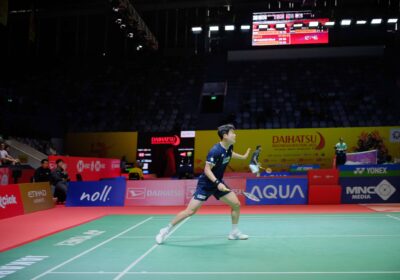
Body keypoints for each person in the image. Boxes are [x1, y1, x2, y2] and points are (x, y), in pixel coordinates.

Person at [155, 124, 251, 244]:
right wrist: (217, 183)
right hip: (206, 184)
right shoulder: (215, 151)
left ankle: (234, 232)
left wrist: (243, 157)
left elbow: (230, 154)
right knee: (190, 211)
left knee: (236, 204)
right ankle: (165, 230)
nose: (235, 134)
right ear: (225, 136)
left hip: (218, 182)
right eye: (232, 133)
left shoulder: (230, 146)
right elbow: (207, 169)